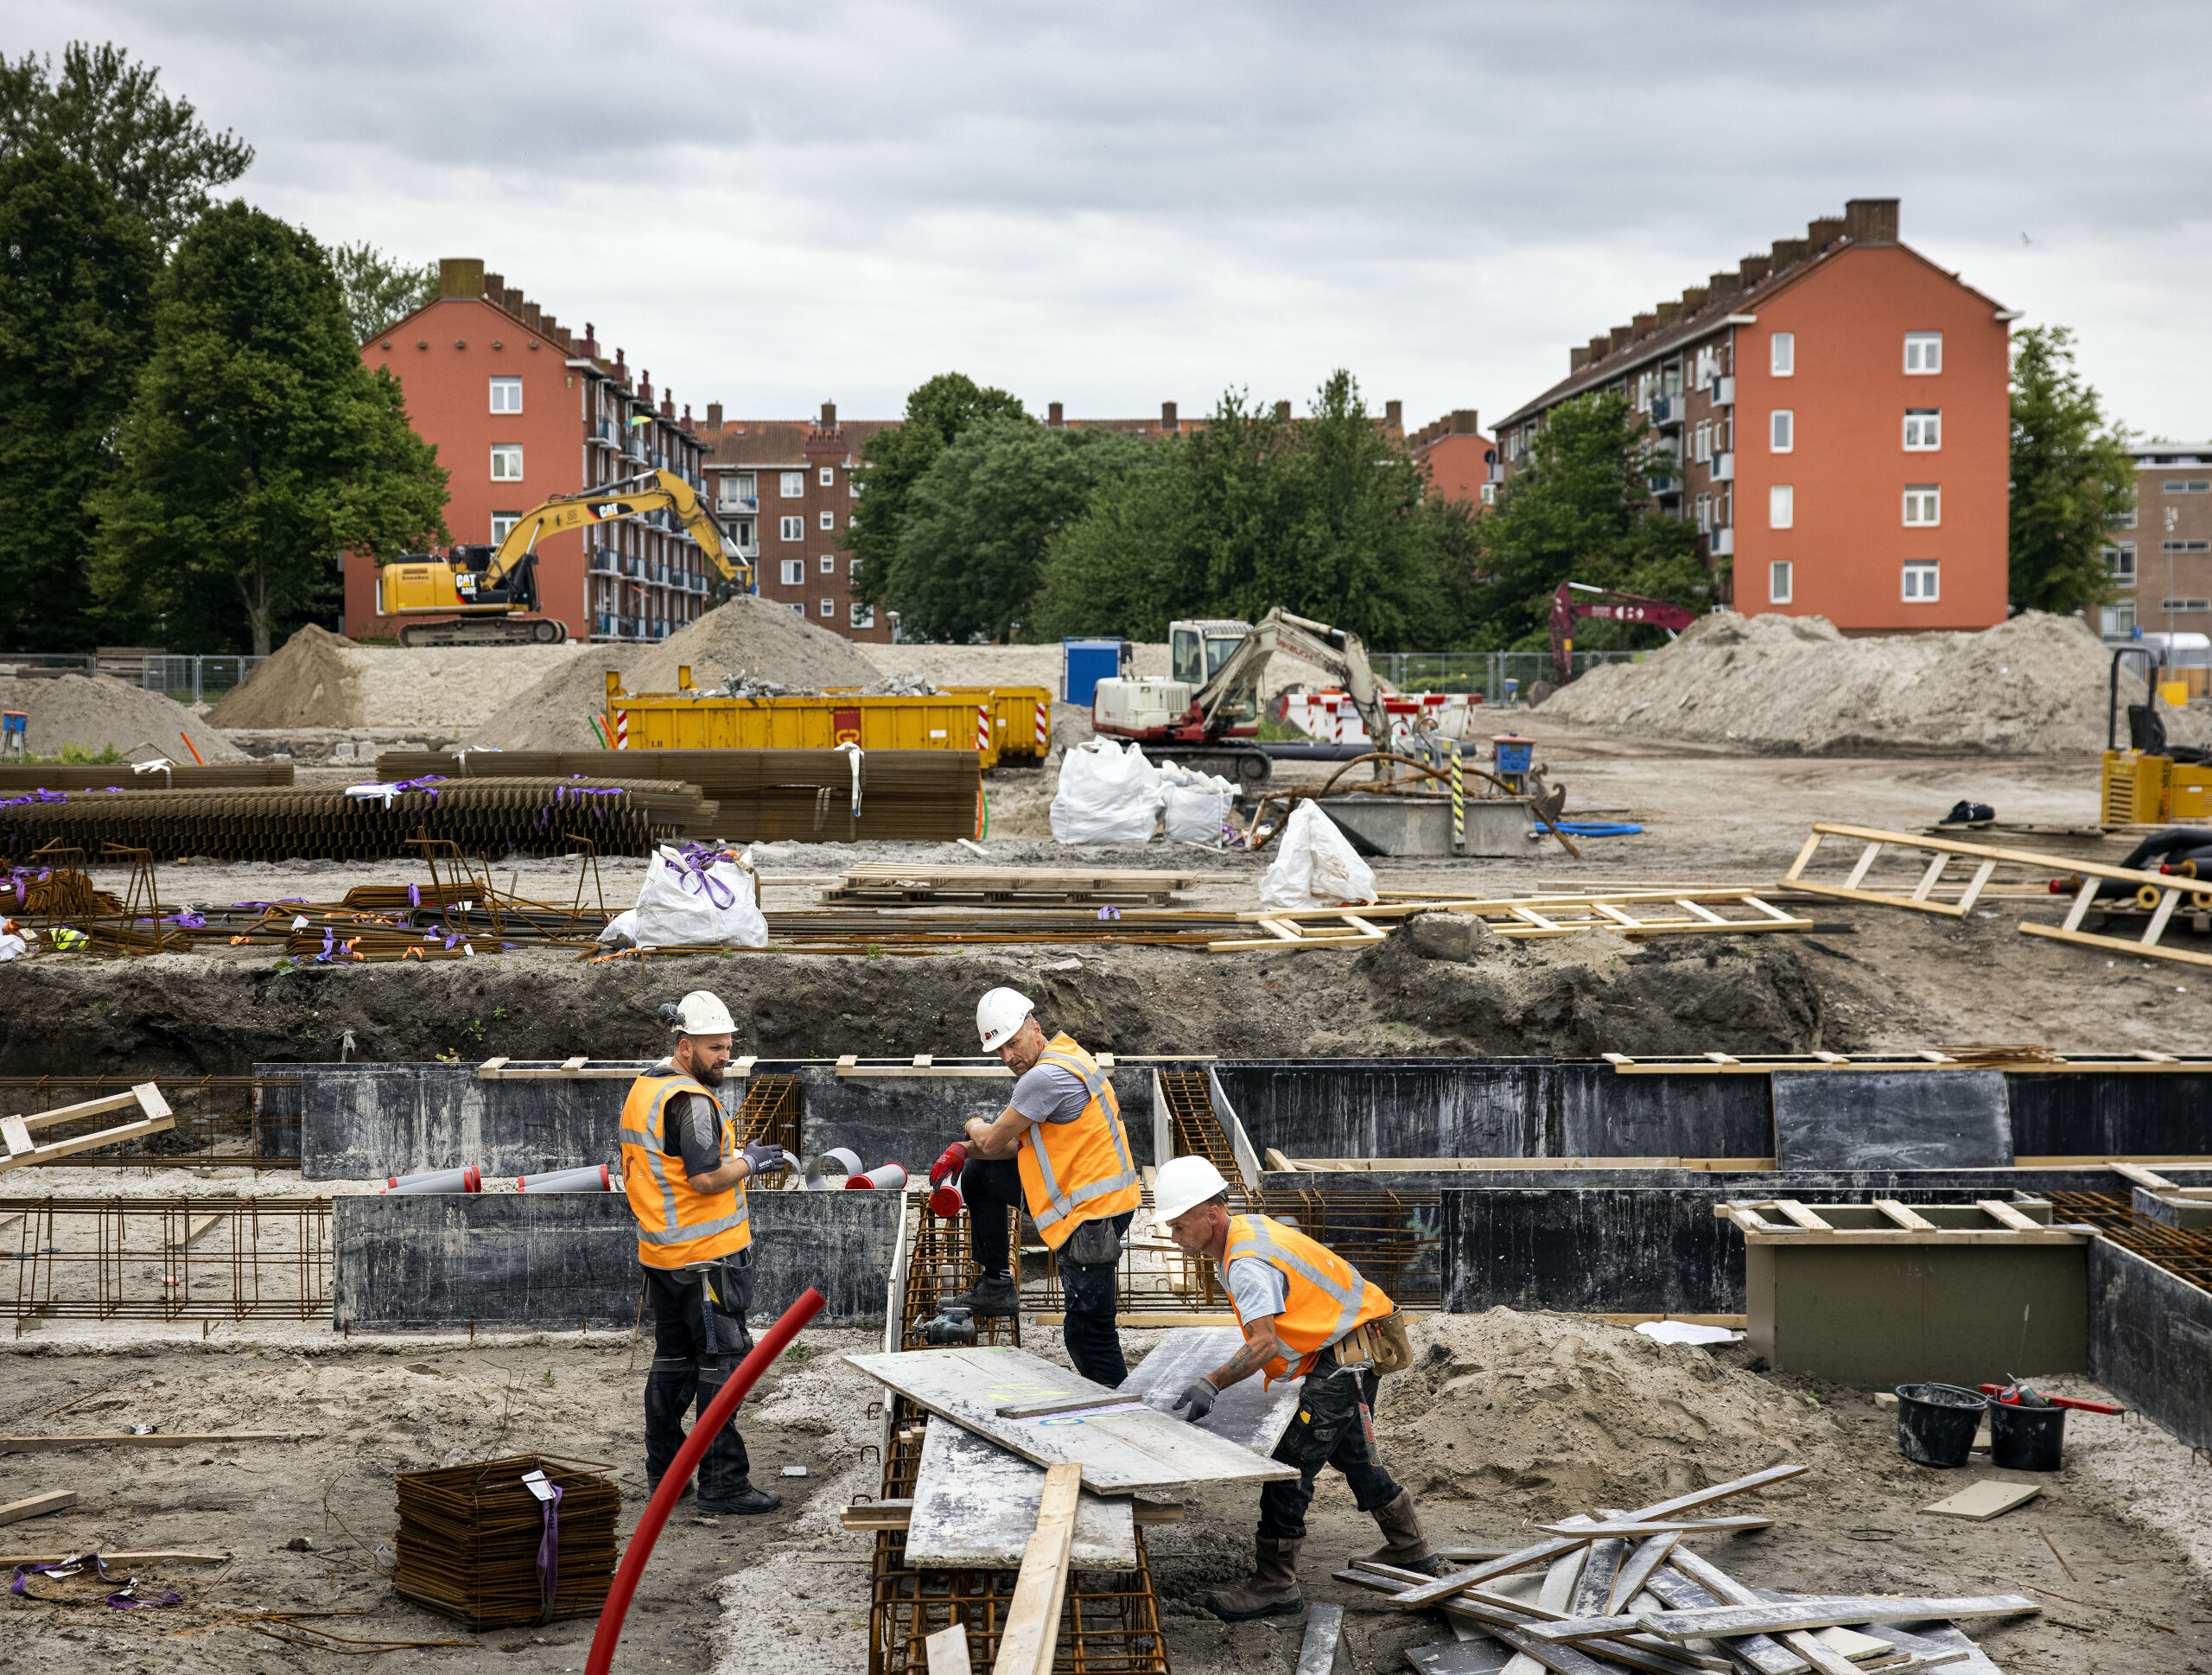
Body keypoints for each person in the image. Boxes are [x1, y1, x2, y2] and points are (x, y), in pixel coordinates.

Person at [1152, 1154, 1434, 1622]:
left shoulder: (1244, 1262)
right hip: (1360, 1345)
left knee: (1287, 1469)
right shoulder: (1249, 1228)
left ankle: (1275, 1585)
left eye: (1179, 1227)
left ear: (1212, 1214)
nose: (1176, 1239)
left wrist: (1212, 1383)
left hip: (1346, 1359)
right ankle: (1412, 1549)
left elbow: (1263, 1343)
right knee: (1354, 1456)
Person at [619, 990, 791, 1514]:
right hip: (708, 1260)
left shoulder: (648, 1087)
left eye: (728, 1046)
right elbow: (707, 1178)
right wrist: (753, 1162)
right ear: (685, 1044)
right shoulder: (693, 1103)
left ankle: (665, 1478)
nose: (725, 1057)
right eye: (715, 1048)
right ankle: (724, 1484)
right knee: (722, 1366)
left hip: (664, 1257)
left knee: (672, 1362)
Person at [929, 986, 1141, 1387]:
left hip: (1094, 1213)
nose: (1009, 1057)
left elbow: (992, 1140)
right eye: (1000, 1051)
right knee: (981, 1175)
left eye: (1013, 1043)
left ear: (1035, 1029)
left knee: (1088, 1332)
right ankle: (996, 1284)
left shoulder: (1043, 1077)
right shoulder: (1067, 1055)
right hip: (1093, 1194)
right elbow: (1009, 1147)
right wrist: (968, 1153)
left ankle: (1119, 1408)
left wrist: (968, 1132)